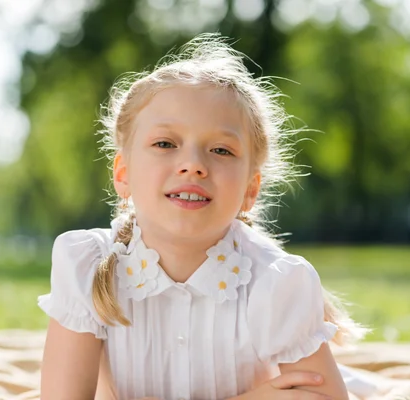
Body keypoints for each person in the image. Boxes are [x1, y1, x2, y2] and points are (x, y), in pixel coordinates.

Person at [38, 33, 368, 400]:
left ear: (250, 189)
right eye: (165, 144)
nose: (194, 165)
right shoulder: (87, 266)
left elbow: (323, 397)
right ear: (123, 174)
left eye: (221, 150)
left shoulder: (274, 283)